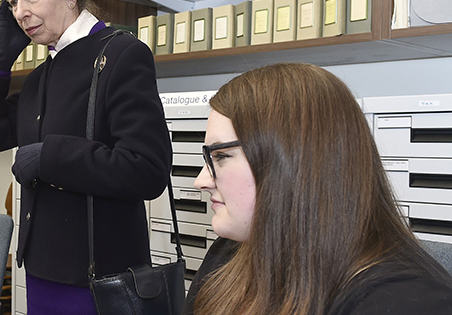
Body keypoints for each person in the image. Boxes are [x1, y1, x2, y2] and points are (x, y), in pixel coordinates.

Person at [0, 0, 172, 314]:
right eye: (11, 2)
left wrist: (49, 157)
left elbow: (148, 170)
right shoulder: (42, 74)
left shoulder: (122, 54)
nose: (20, 11)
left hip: (99, 279)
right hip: (41, 269)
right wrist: (0, 59)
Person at [185, 63, 452, 315]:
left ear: (291, 161)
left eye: (220, 157)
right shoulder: (228, 255)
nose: (201, 181)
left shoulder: (403, 300)